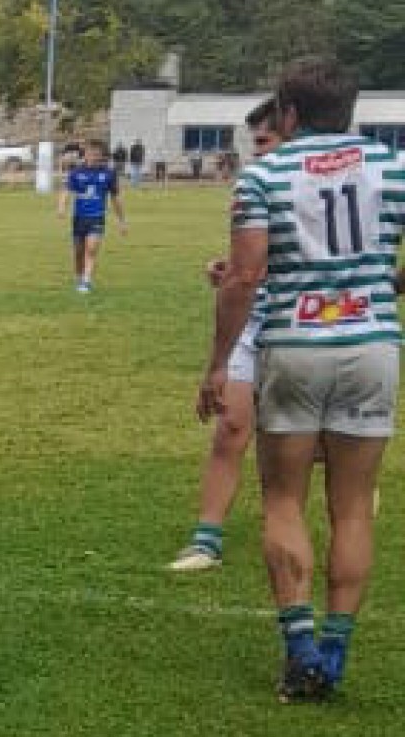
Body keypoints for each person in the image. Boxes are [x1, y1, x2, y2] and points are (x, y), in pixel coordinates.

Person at [204, 57, 403, 702]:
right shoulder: (393, 167)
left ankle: (300, 652)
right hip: (372, 345)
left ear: (287, 113)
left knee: (284, 497)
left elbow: (245, 275)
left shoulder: (265, 172)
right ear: (351, 110)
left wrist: (217, 362)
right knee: (352, 504)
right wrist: (377, 283)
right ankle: (336, 654)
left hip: (292, 345)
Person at [171, 100, 282, 573]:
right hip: (251, 323)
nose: (256, 152)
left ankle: (349, 490)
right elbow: (251, 258)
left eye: (263, 141)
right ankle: (207, 539)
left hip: (299, 328)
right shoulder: (254, 187)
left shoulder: (311, 187)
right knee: (231, 427)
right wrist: (229, 268)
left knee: (297, 442)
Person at [57, 139, 125, 293]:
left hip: (97, 217)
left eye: (98, 155)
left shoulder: (109, 174)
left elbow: (115, 198)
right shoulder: (76, 172)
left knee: (92, 248)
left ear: (102, 156)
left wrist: (122, 221)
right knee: (78, 251)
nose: (94, 157)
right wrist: (62, 207)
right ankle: (80, 277)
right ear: (85, 155)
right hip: (79, 218)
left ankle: (86, 281)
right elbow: (66, 191)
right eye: (91, 154)